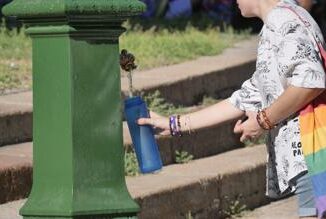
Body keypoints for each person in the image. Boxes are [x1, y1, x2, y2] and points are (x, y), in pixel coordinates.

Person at [137, 0, 326, 218]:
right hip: (308, 154)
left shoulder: (284, 20)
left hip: (312, 151)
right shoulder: (281, 21)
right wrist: (174, 124)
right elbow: (246, 97)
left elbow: (309, 82)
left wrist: (263, 120)